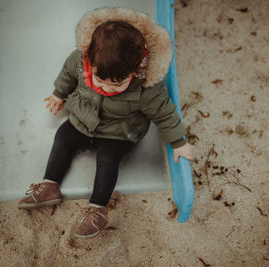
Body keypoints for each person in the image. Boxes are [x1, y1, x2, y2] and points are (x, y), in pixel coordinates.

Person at [18, 7, 194, 239]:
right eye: (100, 80)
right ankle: (50, 184)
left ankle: (97, 208)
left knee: (108, 157)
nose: (106, 89)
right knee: (63, 136)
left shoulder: (146, 87)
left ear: (136, 70)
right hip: (83, 118)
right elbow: (67, 76)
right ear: (89, 58)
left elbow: (165, 112)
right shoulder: (80, 63)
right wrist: (59, 94)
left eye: (117, 84)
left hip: (120, 131)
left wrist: (179, 141)